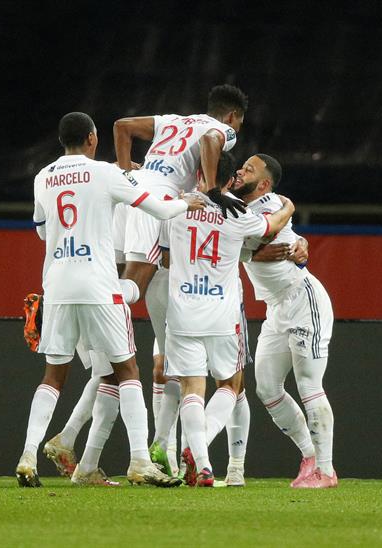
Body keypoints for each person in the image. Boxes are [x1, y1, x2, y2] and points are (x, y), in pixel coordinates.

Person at [16, 112, 204, 488]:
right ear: (91, 139)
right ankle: (139, 461)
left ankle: (27, 456)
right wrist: (187, 200)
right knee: (127, 370)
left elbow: (40, 231)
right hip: (100, 286)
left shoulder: (43, 177)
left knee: (53, 377)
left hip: (56, 285)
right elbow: (161, 209)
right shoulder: (105, 174)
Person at [112, 85, 249, 466]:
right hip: (159, 203)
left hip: (131, 192)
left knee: (164, 350)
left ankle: (163, 447)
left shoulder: (172, 120)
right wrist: (207, 185)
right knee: (136, 285)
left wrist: (125, 167)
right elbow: (209, 138)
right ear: (233, 117)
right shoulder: (221, 130)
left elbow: (122, 126)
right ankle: (100, 301)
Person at [157, 151, 294, 486]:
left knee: (191, 385)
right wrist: (289, 207)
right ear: (231, 177)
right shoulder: (239, 212)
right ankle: (202, 448)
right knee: (231, 386)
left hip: (182, 308)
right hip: (222, 311)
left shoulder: (176, 205)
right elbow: (271, 226)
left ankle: (202, 464)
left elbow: (163, 260)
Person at [232, 154, 338, 488]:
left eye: (249, 169)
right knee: (266, 386)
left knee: (308, 383)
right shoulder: (245, 204)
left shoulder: (269, 205)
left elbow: (260, 235)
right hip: (277, 308)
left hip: (304, 299)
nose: (240, 171)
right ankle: (309, 457)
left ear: (263, 184)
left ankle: (326, 469)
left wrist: (252, 249)